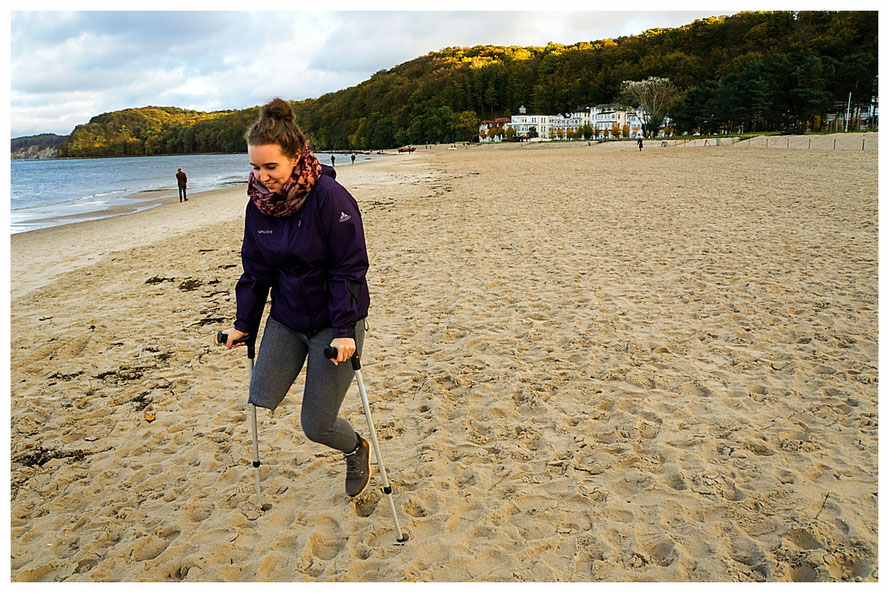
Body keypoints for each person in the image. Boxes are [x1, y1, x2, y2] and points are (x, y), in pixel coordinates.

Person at [220, 97, 372, 497]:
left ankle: (357, 448)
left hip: (334, 321)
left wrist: (343, 329)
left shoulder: (329, 197)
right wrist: (243, 324)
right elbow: (256, 270)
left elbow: (349, 268)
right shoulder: (258, 205)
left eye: (271, 167)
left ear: (296, 158)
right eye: (255, 166)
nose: (262, 176)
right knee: (260, 397)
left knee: (316, 425)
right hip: (287, 318)